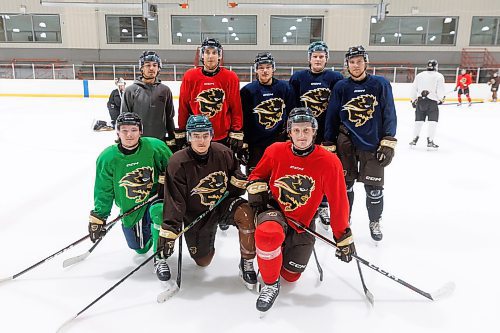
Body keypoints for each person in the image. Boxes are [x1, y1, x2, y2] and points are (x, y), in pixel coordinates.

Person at [247, 107, 353, 313]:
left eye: (306, 130)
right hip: (274, 211)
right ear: (289, 132)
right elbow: (256, 176)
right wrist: (256, 187)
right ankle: (270, 285)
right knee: (268, 235)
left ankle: (280, 251)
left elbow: (338, 202)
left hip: (302, 221)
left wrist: (343, 236)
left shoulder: (330, 162)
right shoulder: (275, 150)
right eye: (296, 130)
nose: (301, 135)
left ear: (314, 131)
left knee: (290, 276)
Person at [158, 115, 257, 289]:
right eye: (196, 136)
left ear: (211, 135)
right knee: (203, 261)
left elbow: (235, 185)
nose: (201, 140)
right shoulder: (177, 162)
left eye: (205, 135)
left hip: (221, 206)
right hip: (196, 214)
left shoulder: (224, 153)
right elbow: (175, 200)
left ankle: (247, 263)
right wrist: (170, 228)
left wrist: (238, 182)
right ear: (189, 137)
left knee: (246, 212)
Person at [324, 45, 397, 243]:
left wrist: (388, 140)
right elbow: (331, 115)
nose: (355, 65)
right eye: (352, 62)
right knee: (345, 187)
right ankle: (344, 223)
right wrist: (329, 141)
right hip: (345, 142)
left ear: (366, 62)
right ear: (347, 64)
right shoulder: (341, 86)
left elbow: (389, 112)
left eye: (359, 61)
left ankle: (375, 221)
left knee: (374, 189)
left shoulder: (380, 84)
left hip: (372, 143)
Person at [88, 112, 173, 282]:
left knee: (158, 211)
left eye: (134, 130)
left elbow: (175, 170)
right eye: (124, 130)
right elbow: (104, 190)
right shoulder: (108, 158)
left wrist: (168, 184)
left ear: (141, 131)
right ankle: (153, 234)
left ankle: (159, 257)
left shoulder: (155, 147)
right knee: (139, 248)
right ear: (117, 132)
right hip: (131, 207)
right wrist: (99, 217)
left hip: (156, 199)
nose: (129, 134)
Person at [289, 41, 344, 229]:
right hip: (305, 133)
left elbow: (338, 107)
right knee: (306, 171)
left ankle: (323, 206)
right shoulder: (298, 78)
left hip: (327, 134)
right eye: (315, 56)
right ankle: (311, 204)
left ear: (326, 58)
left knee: (325, 172)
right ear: (309, 58)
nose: (318, 59)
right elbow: (293, 105)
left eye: (321, 56)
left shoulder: (335, 78)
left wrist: (333, 135)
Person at [177, 38, 244, 158]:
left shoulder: (230, 77)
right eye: (207, 52)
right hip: (197, 135)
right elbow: (183, 106)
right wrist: (182, 130)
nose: (210, 56)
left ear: (219, 56)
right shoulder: (190, 76)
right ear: (202, 55)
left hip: (223, 136)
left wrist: (237, 131)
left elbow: (236, 107)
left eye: (214, 53)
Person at [240, 52, 295, 174]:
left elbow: (292, 114)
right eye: (261, 68)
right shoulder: (247, 91)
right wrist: (244, 142)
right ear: (256, 70)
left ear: (273, 68)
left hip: (279, 142)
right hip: (255, 144)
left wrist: (289, 137)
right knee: (256, 179)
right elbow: (244, 118)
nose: (265, 71)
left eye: (268, 67)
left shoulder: (285, 88)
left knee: (278, 177)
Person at [121, 51, 177, 152]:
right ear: (141, 68)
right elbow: (124, 119)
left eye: (155, 65)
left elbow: (169, 117)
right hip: (137, 143)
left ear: (158, 68)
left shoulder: (165, 90)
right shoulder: (131, 90)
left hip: (160, 142)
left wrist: (172, 137)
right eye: (147, 65)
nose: (151, 68)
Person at [409, 59, 446, 149]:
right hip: (432, 102)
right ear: (436, 67)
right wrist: (441, 99)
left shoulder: (419, 75)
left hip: (420, 101)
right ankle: (430, 141)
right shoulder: (439, 76)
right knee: (432, 122)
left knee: (418, 122)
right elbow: (440, 89)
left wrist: (413, 100)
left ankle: (414, 139)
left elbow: (413, 88)